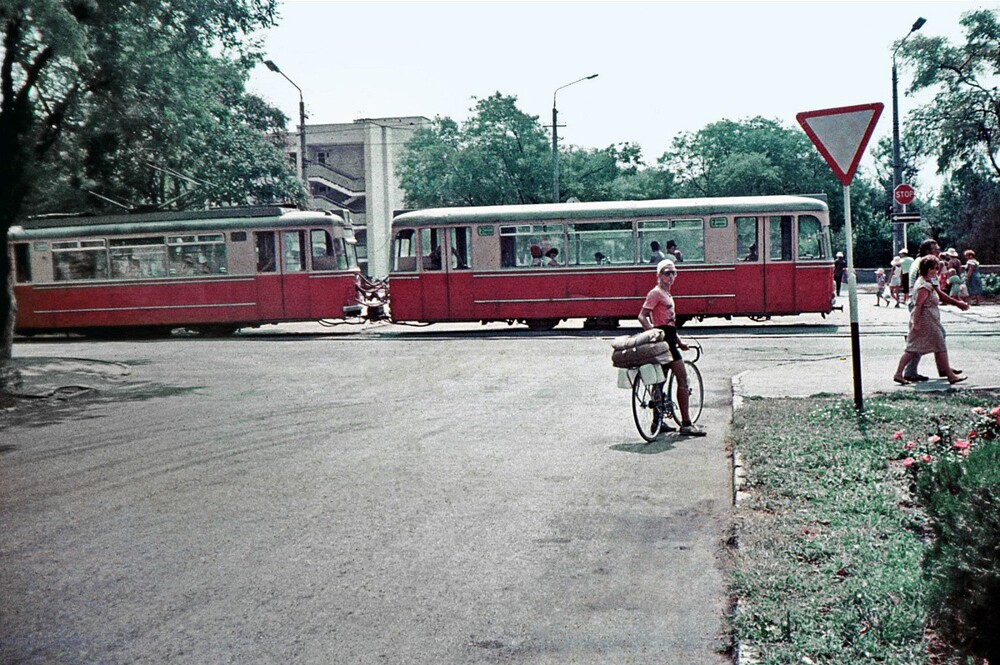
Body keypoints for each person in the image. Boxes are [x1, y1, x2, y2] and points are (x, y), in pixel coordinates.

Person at [637, 259, 706, 437]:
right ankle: (686, 424)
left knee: (660, 381)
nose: (671, 276)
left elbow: (670, 323)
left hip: (669, 338)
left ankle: (657, 422)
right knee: (682, 380)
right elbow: (642, 316)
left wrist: (679, 341)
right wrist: (653, 334)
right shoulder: (656, 293)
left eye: (673, 272)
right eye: (667, 272)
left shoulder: (667, 295)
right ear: (658, 275)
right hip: (663, 341)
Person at [893, 255, 967, 386]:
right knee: (938, 345)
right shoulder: (924, 286)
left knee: (913, 348)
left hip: (929, 319)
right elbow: (918, 306)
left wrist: (957, 303)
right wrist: (916, 323)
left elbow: (940, 294)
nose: (936, 271)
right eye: (934, 268)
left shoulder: (927, 282)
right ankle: (950, 375)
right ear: (927, 269)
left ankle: (899, 374)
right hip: (926, 320)